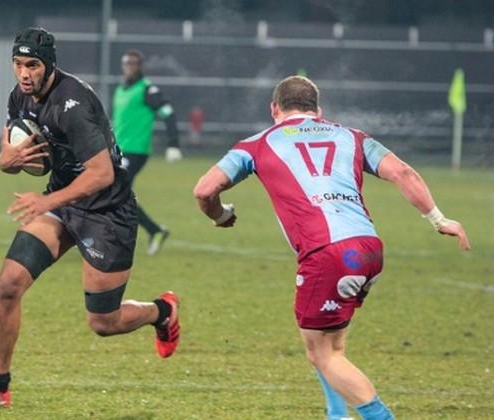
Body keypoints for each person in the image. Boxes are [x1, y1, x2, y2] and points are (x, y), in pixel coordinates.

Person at [193, 75, 470, 420]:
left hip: (329, 254)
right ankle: (335, 413)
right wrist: (439, 219)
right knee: (330, 345)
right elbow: (402, 172)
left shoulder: (257, 144)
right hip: (368, 249)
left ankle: (379, 417)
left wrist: (219, 216)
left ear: (274, 109)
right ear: (318, 111)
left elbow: (204, 190)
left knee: (324, 354)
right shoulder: (352, 137)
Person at [0, 27, 180, 409]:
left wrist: (47, 199)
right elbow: (17, 155)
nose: (24, 74)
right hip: (61, 205)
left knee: (103, 322)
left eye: (33, 65)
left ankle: (163, 311)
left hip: (108, 212)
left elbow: (102, 173)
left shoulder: (72, 104)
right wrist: (7, 162)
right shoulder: (18, 98)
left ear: (50, 65)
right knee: (7, 286)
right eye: (18, 64)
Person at [112, 49, 181, 256]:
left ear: (140, 66)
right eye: (126, 63)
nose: (129, 67)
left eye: (133, 63)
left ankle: (148, 232)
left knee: (117, 192)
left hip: (136, 152)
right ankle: (152, 231)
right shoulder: (120, 90)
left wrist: (173, 144)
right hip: (118, 151)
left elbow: (168, 114)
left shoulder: (147, 90)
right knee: (116, 195)